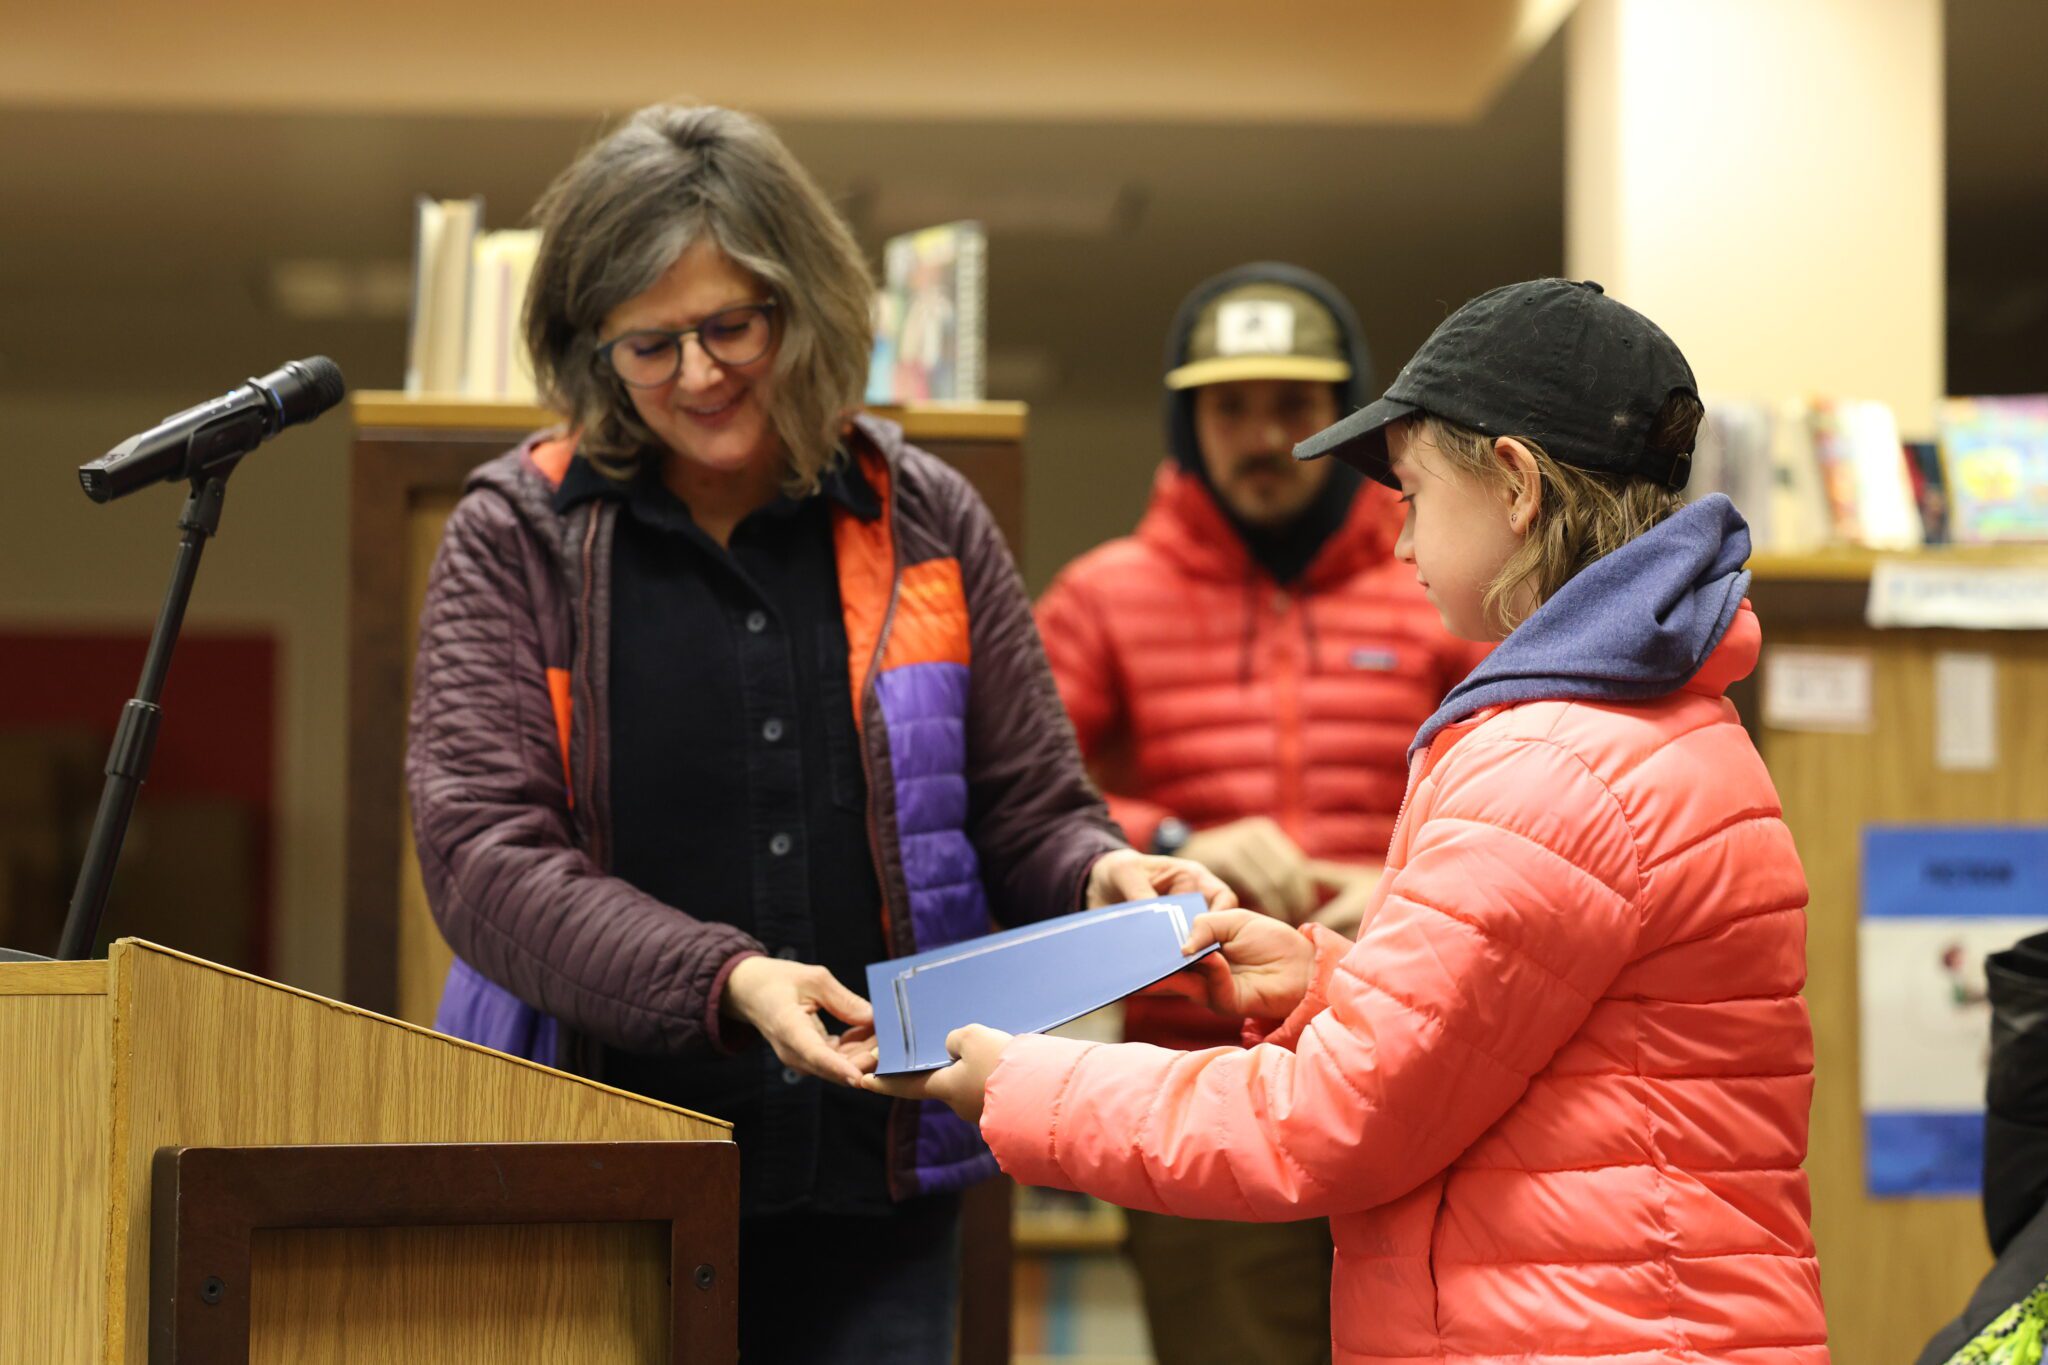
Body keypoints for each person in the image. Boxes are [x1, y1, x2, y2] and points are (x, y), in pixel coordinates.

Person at [873, 279, 1831, 1363]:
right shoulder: (1644, 715)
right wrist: (1327, 980)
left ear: (1513, 486)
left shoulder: (1548, 759)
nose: (1396, 540)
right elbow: (1540, 1035)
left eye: (1412, 494)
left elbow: (1331, 1117)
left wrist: (1014, 1085)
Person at [405, 103, 1227, 1365]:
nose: (696, 374)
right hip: (596, 1171)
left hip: (877, 1179)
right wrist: (727, 981)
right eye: (647, 344)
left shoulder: (922, 515)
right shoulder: (521, 531)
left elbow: (1023, 803)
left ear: (806, 308)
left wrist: (1098, 869)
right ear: (589, 349)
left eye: (730, 325)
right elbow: (480, 855)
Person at [1032, 262, 1481, 1363]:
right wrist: (1173, 837)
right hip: (1201, 1084)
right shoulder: (1102, 594)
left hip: (1420, 1075)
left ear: (1351, 417)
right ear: (1186, 423)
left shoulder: (1436, 575)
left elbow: (1522, 779)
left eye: (1292, 404)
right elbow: (1021, 794)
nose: (1258, 434)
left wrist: (1405, 882)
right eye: (1226, 407)